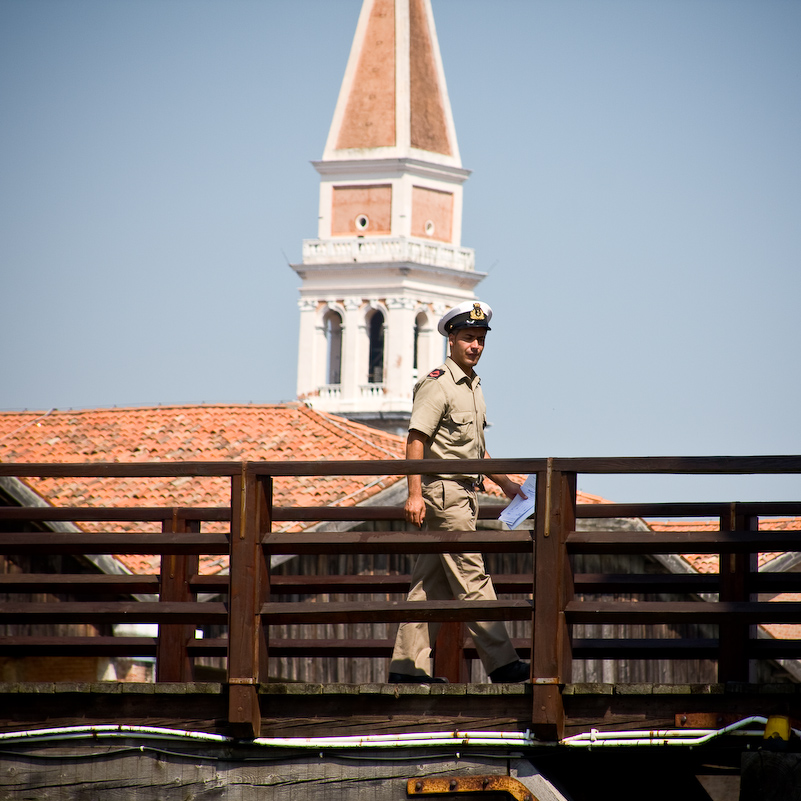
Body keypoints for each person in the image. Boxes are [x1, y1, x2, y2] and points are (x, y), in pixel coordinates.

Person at [388, 300, 531, 684]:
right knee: (472, 577)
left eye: (481, 339)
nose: (476, 346)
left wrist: (506, 484)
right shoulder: (438, 384)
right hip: (444, 495)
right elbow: (416, 440)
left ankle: (407, 669)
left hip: (464, 492)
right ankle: (503, 665)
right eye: (468, 338)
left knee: (428, 586)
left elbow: (475, 449)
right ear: (451, 340)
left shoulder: (473, 387)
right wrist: (414, 493)